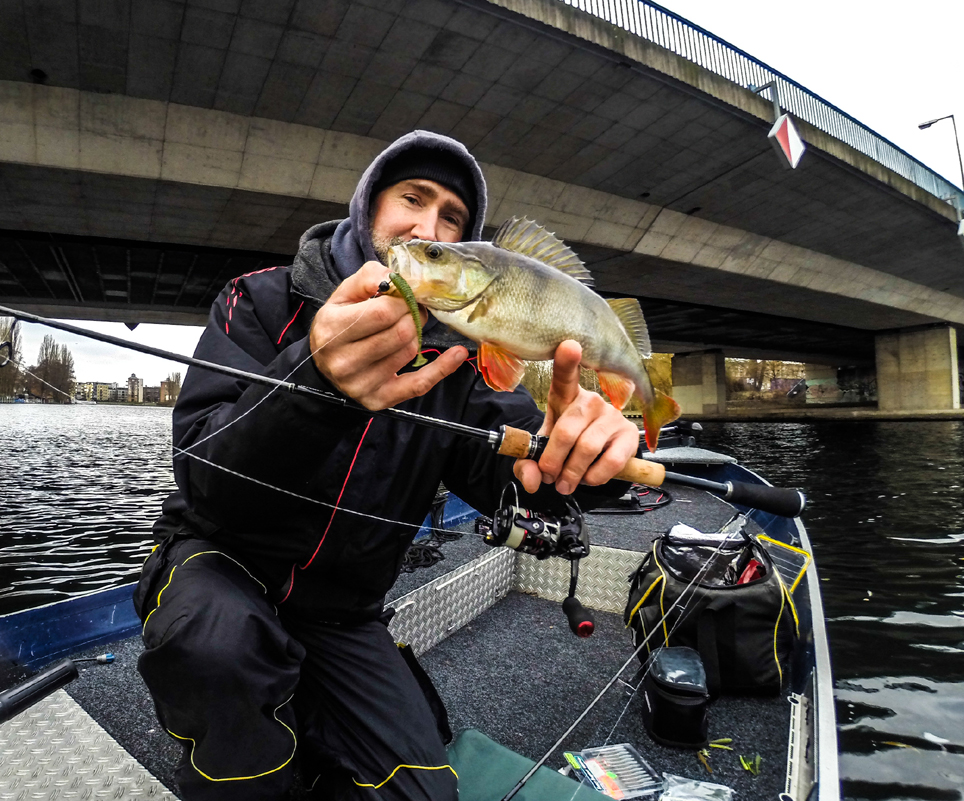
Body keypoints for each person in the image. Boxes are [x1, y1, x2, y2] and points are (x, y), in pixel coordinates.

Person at [134, 130, 640, 800]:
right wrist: (315, 381)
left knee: (422, 791)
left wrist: (580, 454)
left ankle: (301, 720)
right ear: (369, 208)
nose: (427, 224)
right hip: (221, 570)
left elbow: (513, 463)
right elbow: (202, 479)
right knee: (220, 648)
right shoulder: (258, 303)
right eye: (413, 198)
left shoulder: (463, 358)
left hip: (343, 613)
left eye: (452, 219)